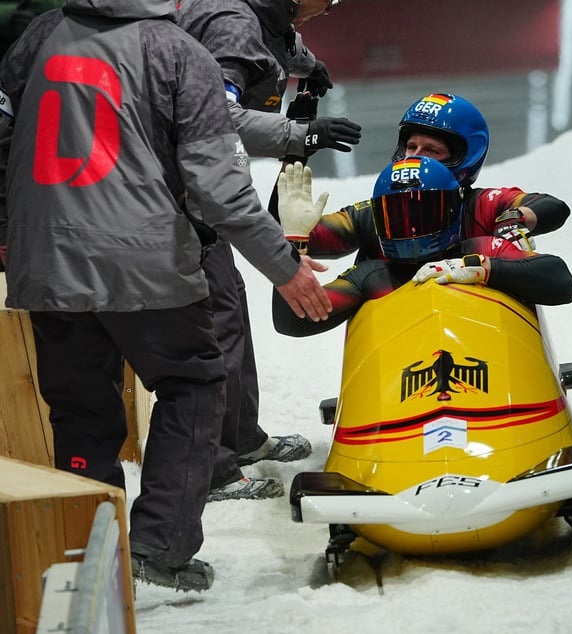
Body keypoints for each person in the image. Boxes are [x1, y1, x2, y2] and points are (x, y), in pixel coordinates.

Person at [0, 0, 331, 591]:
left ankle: (88, 555)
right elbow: (219, 187)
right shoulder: (180, 52)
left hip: (48, 262)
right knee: (196, 383)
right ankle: (160, 549)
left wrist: (10, 230)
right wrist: (283, 265)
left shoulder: (44, 33)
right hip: (143, 259)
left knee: (80, 411)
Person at [177, 0, 362, 501]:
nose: (328, 9)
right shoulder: (234, 24)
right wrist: (300, 134)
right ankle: (212, 468)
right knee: (212, 324)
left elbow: (277, 40)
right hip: (185, 198)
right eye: (326, 0)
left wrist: (306, 64)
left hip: (197, 196)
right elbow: (218, 115)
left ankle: (241, 438)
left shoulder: (258, 17)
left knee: (230, 311)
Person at [272, 158, 572, 337]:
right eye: (398, 217)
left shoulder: (481, 249)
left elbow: (561, 281)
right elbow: (293, 320)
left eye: (423, 213)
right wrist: (292, 246)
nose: (411, 227)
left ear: (450, 211)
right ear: (379, 219)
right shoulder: (372, 276)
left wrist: (482, 270)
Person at [303, 93, 571, 264]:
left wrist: (517, 220)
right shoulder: (372, 215)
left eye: (431, 150)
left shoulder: (485, 205)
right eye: (412, 147)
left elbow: (552, 207)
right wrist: (295, 148)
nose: (416, 157)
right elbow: (292, 240)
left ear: (462, 158)